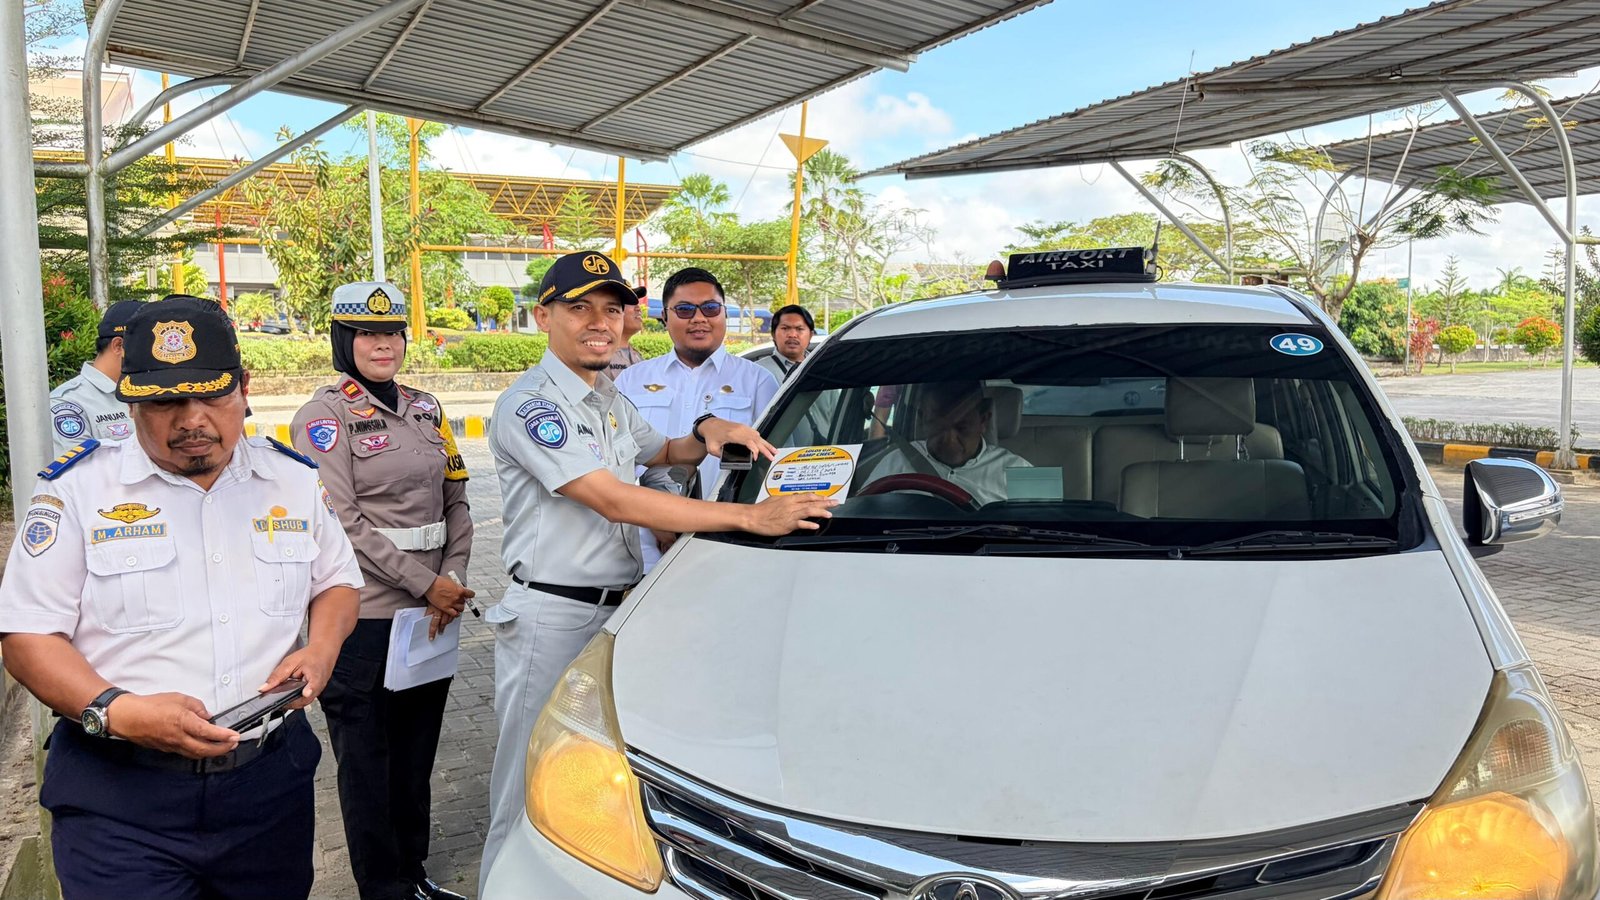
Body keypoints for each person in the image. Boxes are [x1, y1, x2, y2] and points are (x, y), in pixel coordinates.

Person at [479, 251, 835, 891]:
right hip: (553, 614)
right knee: (524, 789)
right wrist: (751, 521)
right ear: (543, 317)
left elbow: (664, 451)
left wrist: (710, 427)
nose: (599, 322)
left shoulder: (608, 398)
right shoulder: (534, 407)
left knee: (588, 781)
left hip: (616, 606)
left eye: (612, 309)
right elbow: (612, 497)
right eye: (579, 307)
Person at [0, 295, 362, 900]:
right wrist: (116, 710)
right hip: (120, 803)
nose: (191, 419)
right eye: (166, 400)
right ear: (131, 399)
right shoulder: (77, 493)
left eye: (213, 395)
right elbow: (28, 636)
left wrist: (322, 650)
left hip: (267, 791)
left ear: (244, 387)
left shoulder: (293, 481)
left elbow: (338, 583)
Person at [289, 283, 474, 900]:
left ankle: (414, 875)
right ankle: (383, 889)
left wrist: (451, 578)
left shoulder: (427, 408)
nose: (383, 344)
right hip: (365, 617)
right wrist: (428, 583)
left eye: (392, 332)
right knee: (368, 764)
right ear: (345, 341)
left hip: (431, 613)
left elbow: (457, 499)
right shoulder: (323, 417)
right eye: (368, 334)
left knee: (416, 756)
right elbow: (343, 521)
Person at [615, 267, 779, 569]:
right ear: (665, 317)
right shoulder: (631, 381)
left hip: (729, 539)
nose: (699, 318)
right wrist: (653, 516)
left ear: (724, 316)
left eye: (711, 308)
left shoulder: (758, 382)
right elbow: (615, 463)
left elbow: (773, 463)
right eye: (685, 309)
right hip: (645, 545)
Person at [869, 380, 1032, 505]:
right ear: (922, 418)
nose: (949, 440)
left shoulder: (1021, 470)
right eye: (937, 426)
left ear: (983, 421)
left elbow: (1053, 520)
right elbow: (863, 514)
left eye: (962, 427)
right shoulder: (894, 462)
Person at [49, 299, 144, 454]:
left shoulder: (148, 392)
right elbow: (80, 472)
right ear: (119, 346)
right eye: (148, 347)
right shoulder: (67, 404)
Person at [756, 303, 814, 381]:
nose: (792, 335)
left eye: (799, 329)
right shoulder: (758, 370)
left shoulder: (823, 368)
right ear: (773, 334)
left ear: (810, 335)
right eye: (785, 328)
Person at [604, 285, 648, 379]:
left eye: (637, 302)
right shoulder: (598, 356)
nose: (638, 308)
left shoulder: (636, 355)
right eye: (631, 302)